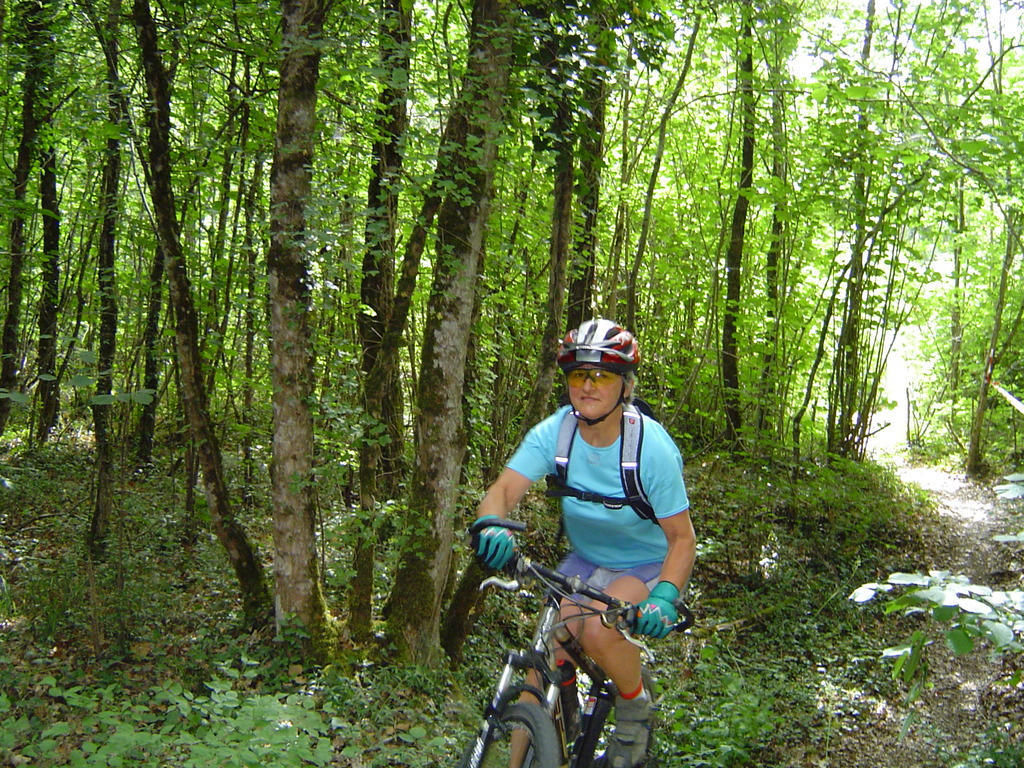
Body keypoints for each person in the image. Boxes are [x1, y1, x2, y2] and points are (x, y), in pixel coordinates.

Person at [472, 318, 696, 768]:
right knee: (541, 666)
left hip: (647, 564)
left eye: (602, 375)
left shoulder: (651, 448)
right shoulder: (556, 433)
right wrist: (491, 524)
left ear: (625, 385)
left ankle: (634, 704)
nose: (588, 385)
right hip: (584, 560)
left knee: (596, 627)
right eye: (579, 375)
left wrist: (666, 597)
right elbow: (501, 492)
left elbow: (682, 538)